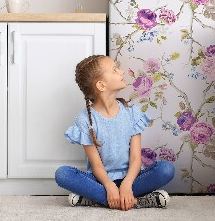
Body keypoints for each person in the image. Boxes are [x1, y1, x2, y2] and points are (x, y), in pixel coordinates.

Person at [55, 55, 175, 211]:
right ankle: (136, 201)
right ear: (101, 85)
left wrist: (127, 184)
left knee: (166, 169)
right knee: (62, 174)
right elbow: (97, 165)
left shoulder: (131, 112)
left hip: (132, 178)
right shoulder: (85, 120)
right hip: (101, 180)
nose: (121, 71)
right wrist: (109, 185)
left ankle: (99, 199)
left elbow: (135, 158)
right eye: (115, 70)